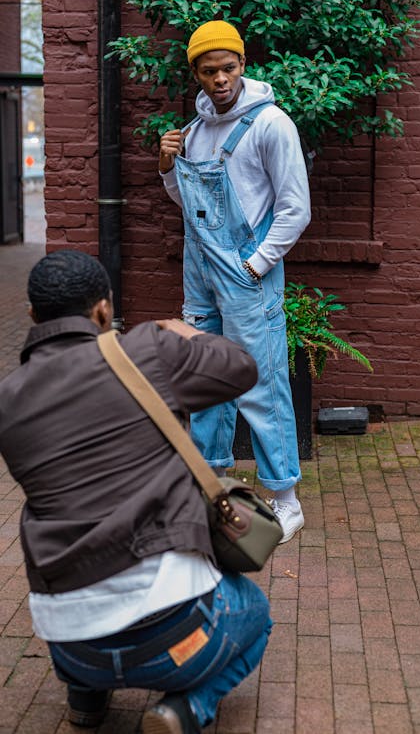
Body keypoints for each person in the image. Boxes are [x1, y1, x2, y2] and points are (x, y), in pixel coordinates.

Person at [0, 250, 272, 734]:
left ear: (33, 317)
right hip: (176, 635)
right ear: (104, 310)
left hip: (70, 646)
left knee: (89, 607)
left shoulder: (8, 399)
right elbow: (241, 368)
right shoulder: (145, 351)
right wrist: (185, 330)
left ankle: (86, 699)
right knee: (254, 612)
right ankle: (184, 711)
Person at [159, 20, 311, 544]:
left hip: (248, 274)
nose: (219, 78)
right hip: (199, 272)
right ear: (196, 74)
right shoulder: (196, 133)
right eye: (208, 70)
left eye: (228, 67)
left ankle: (284, 498)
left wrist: (256, 264)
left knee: (262, 382)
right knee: (204, 380)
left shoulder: (271, 125)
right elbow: (191, 207)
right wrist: (165, 169)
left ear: (243, 65)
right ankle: (213, 483)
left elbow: (296, 208)